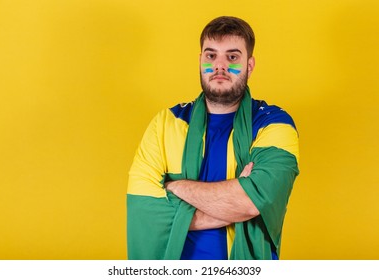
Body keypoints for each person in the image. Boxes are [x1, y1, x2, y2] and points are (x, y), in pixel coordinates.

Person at [127, 16, 299, 260]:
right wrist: (234, 201)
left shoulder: (273, 124)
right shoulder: (164, 124)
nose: (220, 66)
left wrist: (174, 188)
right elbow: (143, 211)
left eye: (232, 57)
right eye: (211, 56)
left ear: (249, 65)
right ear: (200, 61)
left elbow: (251, 203)